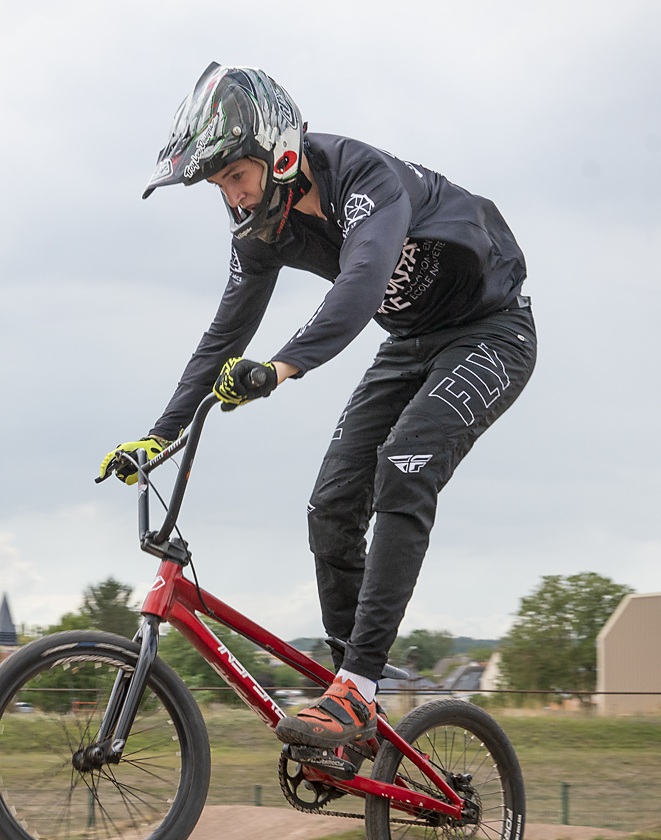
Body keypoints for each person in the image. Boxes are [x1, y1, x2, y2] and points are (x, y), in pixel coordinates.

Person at [99, 63, 534, 751]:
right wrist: (160, 435)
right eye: (219, 187)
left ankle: (360, 689)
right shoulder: (259, 231)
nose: (234, 198)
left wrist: (280, 368)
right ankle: (346, 700)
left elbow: (361, 286)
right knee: (330, 504)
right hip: (411, 343)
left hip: (491, 334)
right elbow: (224, 335)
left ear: (282, 155)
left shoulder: (366, 180)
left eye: (237, 178)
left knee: (404, 467)